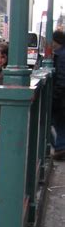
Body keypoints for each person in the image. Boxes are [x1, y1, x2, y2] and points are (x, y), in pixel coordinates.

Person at [51, 30, 65, 160]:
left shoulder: (61, 56)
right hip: (61, 97)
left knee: (56, 121)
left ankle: (60, 147)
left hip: (60, 98)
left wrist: (55, 96)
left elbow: (61, 78)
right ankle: (60, 146)